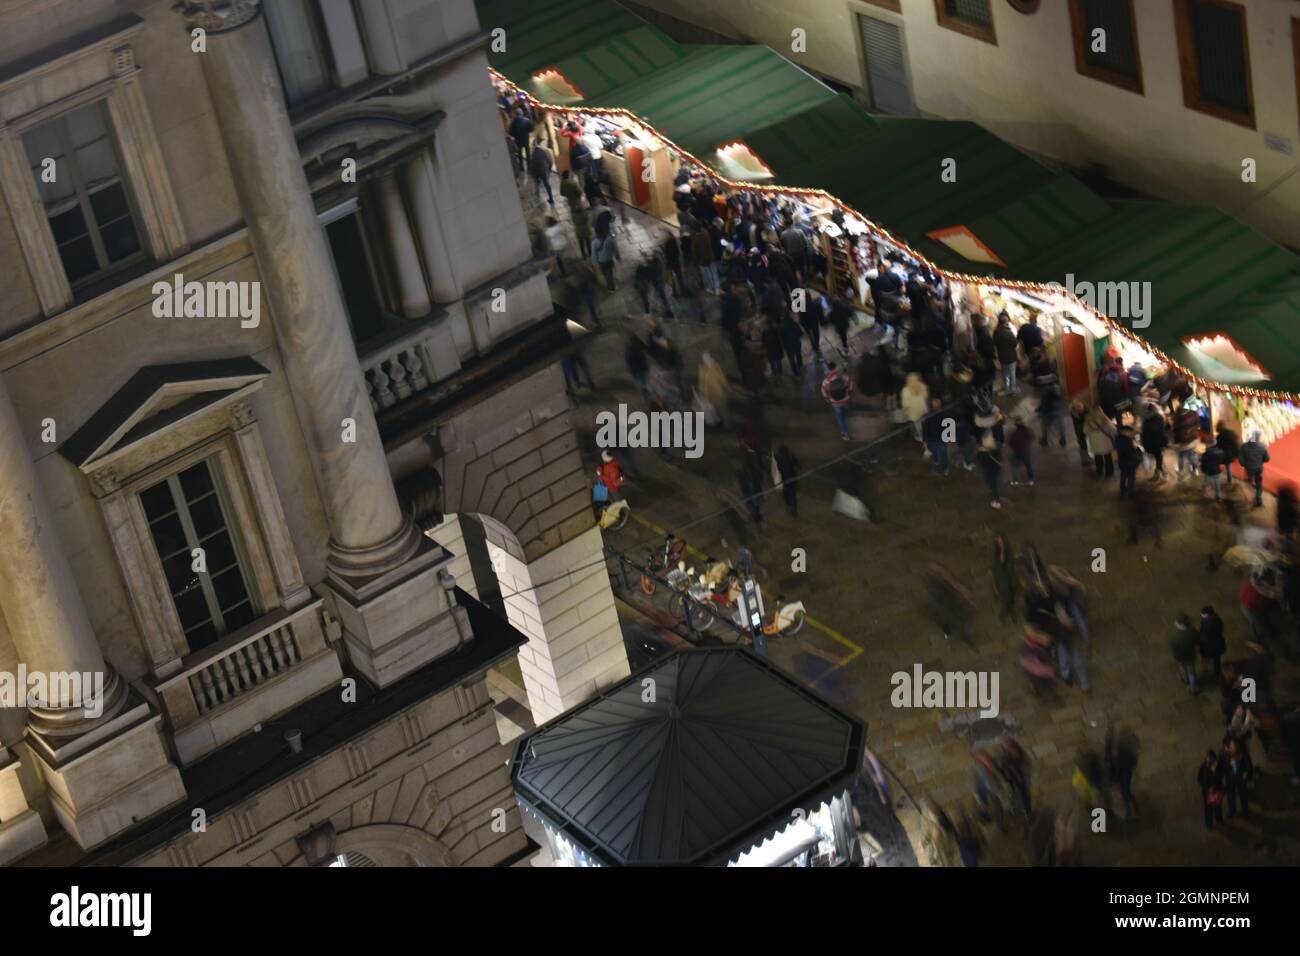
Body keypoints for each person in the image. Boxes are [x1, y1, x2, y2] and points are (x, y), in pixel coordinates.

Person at [1105, 724, 1139, 818]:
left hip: (1124, 772)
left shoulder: (1126, 745)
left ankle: (1130, 809)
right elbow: (1107, 755)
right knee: (1115, 790)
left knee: (1125, 791)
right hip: (1114, 772)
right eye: (1114, 732)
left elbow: (1133, 758)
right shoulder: (1109, 743)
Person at [1222, 736, 1254, 819]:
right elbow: (1222, 766)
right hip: (1230, 778)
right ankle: (1232, 811)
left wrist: (1246, 773)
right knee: (1230, 795)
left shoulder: (1243, 753)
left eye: (1233, 745)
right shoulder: (1224, 754)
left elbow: (1248, 765)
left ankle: (1245, 811)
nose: (1232, 747)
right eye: (1230, 745)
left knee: (1243, 795)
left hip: (1240, 778)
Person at [822, 361, 853, 441]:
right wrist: (849, 393)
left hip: (835, 403)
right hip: (845, 399)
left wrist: (828, 399)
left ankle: (844, 434)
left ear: (828, 369)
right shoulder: (844, 377)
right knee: (846, 408)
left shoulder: (826, 381)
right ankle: (848, 413)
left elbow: (824, 393)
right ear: (836, 367)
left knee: (840, 418)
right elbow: (850, 385)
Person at [1239, 431, 1270, 508]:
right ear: (1258, 437)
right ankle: (1258, 498)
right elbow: (1267, 459)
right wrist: (1261, 462)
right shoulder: (1262, 446)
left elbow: (1241, 459)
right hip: (1258, 468)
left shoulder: (1244, 446)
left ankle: (1249, 499)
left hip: (1249, 468)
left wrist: (1244, 464)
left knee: (1248, 482)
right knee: (1259, 483)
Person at [1197, 751, 1226, 830]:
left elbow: (1222, 776)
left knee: (1218, 806)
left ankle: (1219, 819)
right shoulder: (1204, 767)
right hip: (1208, 792)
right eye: (1208, 760)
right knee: (1208, 809)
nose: (1209, 762)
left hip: (1217, 791)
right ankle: (1209, 824)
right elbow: (1199, 779)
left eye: (1211, 760)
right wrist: (1207, 787)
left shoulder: (1219, 766)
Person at [1084, 405, 1115, 478]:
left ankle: (1099, 471)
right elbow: (1114, 430)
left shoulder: (1088, 422)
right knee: (1108, 459)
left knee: (1098, 458)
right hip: (1106, 444)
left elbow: (1085, 431)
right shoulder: (1106, 420)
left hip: (1095, 445)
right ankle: (1109, 473)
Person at [921, 398, 951, 476]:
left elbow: (948, 426)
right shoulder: (931, 416)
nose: (936, 405)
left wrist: (924, 441)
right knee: (939, 454)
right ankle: (941, 467)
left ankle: (943, 467)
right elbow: (925, 429)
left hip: (937, 440)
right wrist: (924, 441)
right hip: (935, 440)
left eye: (936, 404)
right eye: (935, 404)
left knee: (941, 454)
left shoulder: (942, 414)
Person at [1171, 613, 1199, 693]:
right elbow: (1197, 641)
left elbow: (1174, 649)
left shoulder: (1175, 637)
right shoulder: (1193, 631)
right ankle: (1193, 688)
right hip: (1190, 656)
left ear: (1180, 625)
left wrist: (1176, 657)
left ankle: (1185, 679)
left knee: (1182, 668)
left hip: (1180, 657)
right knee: (1192, 672)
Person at [1198, 605, 1226, 685]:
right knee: (1217, 659)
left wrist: (1199, 638)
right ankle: (1217, 672)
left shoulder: (1208, 624)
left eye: (1202, 614)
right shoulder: (1216, 619)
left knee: (1209, 657)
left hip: (1210, 646)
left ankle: (1212, 672)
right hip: (1217, 645)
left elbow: (1205, 636)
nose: (1201, 615)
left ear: (1207, 614)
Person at [993, 312, 1019, 395]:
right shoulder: (1009, 332)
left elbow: (995, 342)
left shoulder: (996, 331)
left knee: (1005, 374)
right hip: (1011, 357)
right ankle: (1012, 390)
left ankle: (1006, 387)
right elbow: (1015, 343)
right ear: (1006, 322)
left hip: (1002, 356)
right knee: (1012, 374)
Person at [977, 431, 1004, 510]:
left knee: (993, 484)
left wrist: (981, 452)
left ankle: (996, 501)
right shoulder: (996, 448)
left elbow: (983, 461)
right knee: (993, 482)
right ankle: (995, 493)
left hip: (990, 470)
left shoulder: (985, 453)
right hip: (996, 469)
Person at [900, 372, 929, 443]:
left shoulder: (905, 390)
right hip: (923, 409)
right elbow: (926, 397)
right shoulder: (922, 386)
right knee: (926, 427)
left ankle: (925, 445)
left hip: (913, 412)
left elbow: (905, 404)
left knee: (919, 429)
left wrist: (905, 412)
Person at [1141, 407, 1169, 480]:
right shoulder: (1160, 418)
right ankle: (1162, 473)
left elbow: (1145, 434)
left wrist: (1144, 444)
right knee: (1159, 457)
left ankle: (1161, 473)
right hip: (1159, 442)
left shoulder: (1146, 421)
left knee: (1158, 457)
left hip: (1153, 443)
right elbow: (1163, 430)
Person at [1115, 424, 1142, 499]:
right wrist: (1136, 448)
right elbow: (1131, 452)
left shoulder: (1118, 439)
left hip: (1122, 461)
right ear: (1125, 432)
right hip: (1130, 462)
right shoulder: (1128, 440)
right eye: (1130, 432)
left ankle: (1122, 489)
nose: (1131, 433)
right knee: (1131, 477)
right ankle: (1131, 493)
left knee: (1123, 475)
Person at [1007, 417, 1034, 487]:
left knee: (1014, 466)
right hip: (1026, 450)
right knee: (1028, 465)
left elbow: (1010, 443)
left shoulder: (1014, 433)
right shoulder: (1027, 430)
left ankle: (1015, 481)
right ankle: (1031, 480)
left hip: (1017, 451)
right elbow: (1032, 437)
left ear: (1016, 424)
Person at [774, 444, 800, 517]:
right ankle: (791, 508)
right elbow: (777, 471)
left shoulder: (790, 459)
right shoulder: (780, 461)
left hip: (791, 481)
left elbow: (798, 467)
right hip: (785, 482)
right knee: (787, 497)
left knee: (792, 497)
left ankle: (793, 510)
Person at [529, 141, 555, 205]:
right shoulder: (545, 152)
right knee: (547, 184)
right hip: (544, 171)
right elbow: (550, 161)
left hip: (536, 171)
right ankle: (551, 198)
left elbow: (531, 164)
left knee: (537, 182)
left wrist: (532, 173)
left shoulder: (533, 154)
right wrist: (549, 169)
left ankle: (537, 192)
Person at [1070, 401, 1091, 468]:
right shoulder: (1079, 414)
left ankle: (1086, 460)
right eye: (1078, 408)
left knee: (1084, 445)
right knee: (1084, 446)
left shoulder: (1075, 412)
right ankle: (1086, 460)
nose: (1080, 409)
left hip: (1081, 432)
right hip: (1082, 432)